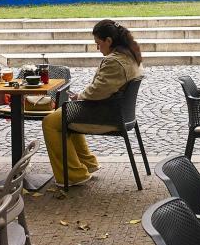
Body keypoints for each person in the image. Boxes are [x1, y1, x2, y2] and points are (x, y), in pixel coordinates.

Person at [42, 19, 143, 186]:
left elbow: (98, 91)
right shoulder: (130, 55)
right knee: (64, 115)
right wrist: (81, 97)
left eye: (98, 43)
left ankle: (74, 175)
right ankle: (87, 163)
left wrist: (79, 96)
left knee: (50, 122)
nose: (97, 47)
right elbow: (103, 88)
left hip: (108, 115)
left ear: (108, 41)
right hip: (120, 112)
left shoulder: (114, 61)